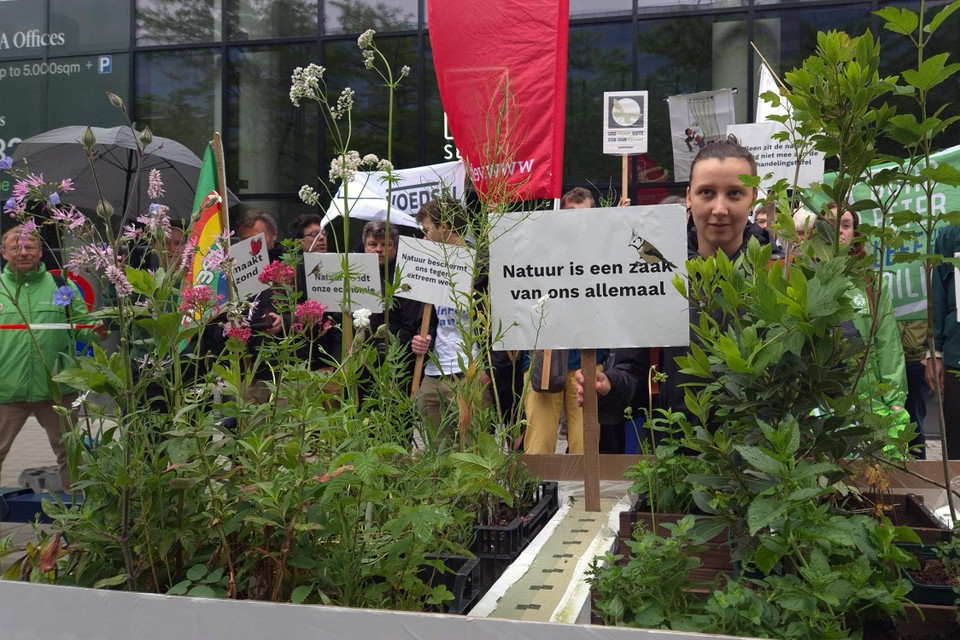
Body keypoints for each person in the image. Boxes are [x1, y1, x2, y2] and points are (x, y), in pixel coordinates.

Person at [0, 226, 106, 490]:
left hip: (57, 389)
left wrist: (96, 332)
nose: (23, 252)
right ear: (4, 253)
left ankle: (80, 522)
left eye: (30, 247)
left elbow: (82, 327)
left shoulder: (61, 285)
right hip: (5, 390)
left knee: (71, 455)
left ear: (40, 252)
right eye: (16, 247)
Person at [523, 187, 604, 455]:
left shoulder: (606, 253)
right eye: (571, 215)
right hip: (543, 358)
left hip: (588, 359)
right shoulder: (539, 249)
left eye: (584, 215)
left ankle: (580, 497)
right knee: (539, 442)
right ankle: (535, 495)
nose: (578, 222)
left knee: (585, 444)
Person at [410, 198, 494, 442]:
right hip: (433, 374)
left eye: (427, 230)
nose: (424, 238)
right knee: (437, 455)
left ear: (443, 227)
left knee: (473, 453)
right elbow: (422, 317)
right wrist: (421, 339)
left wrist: (488, 369)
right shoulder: (426, 265)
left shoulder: (481, 265)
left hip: (471, 374)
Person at [829, 204, 910, 450]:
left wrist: (894, 400)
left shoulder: (871, 283)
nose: (839, 232)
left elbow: (888, 343)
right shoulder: (804, 278)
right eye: (831, 225)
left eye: (845, 225)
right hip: (822, 400)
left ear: (855, 233)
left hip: (869, 398)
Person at [926, 223, 960, 459]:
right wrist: (934, 352)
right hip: (957, 356)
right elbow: (937, 296)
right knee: (957, 445)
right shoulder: (951, 236)